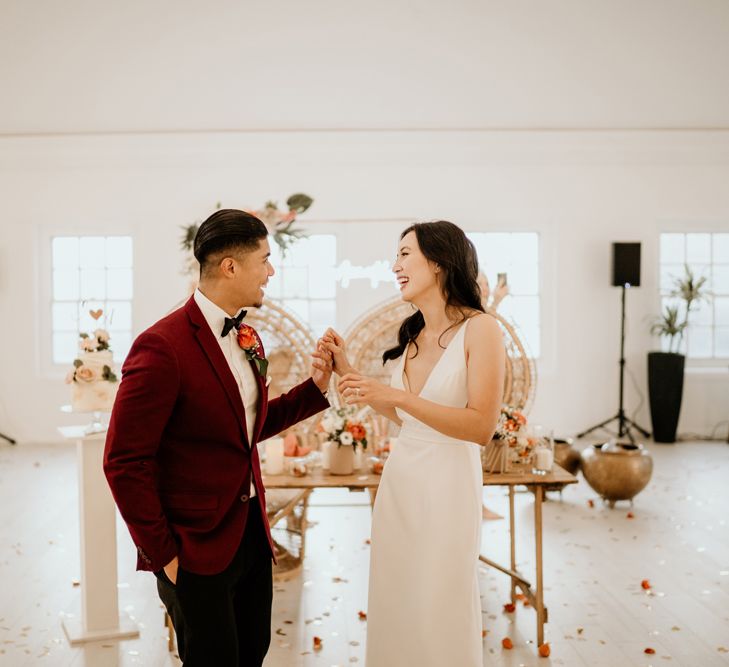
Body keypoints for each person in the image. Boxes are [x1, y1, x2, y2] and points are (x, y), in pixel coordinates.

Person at [103, 209, 332, 666]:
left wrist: (317, 386)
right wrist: (163, 554)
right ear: (230, 266)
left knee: (253, 651)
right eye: (265, 260)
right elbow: (123, 461)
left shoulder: (248, 337)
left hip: (249, 535)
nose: (272, 271)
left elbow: (247, 428)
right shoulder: (161, 346)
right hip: (192, 549)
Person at [322, 220, 505, 667]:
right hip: (400, 486)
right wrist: (347, 371)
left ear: (440, 262)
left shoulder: (482, 330)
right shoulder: (412, 336)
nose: (395, 265)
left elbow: (480, 426)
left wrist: (397, 396)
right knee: (397, 599)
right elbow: (406, 416)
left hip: (448, 487)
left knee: (440, 601)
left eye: (405, 254)